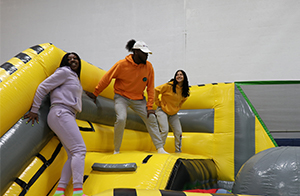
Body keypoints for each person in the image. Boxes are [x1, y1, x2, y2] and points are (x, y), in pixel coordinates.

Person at [86, 39, 168, 154]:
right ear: (136, 52)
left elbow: (150, 88)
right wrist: (95, 93)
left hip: (139, 99)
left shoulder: (149, 67)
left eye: (147, 53)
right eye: (144, 53)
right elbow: (107, 78)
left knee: (152, 118)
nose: (146, 56)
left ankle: (160, 148)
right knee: (121, 119)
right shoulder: (121, 65)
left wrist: (149, 107)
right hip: (122, 97)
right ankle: (117, 150)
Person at [24, 52, 86, 196]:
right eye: (69, 59)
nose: (72, 60)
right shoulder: (64, 72)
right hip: (61, 113)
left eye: (75, 58)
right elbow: (42, 87)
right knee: (80, 150)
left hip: (67, 114)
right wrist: (34, 110)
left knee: (72, 155)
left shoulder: (74, 77)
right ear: (65, 63)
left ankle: (59, 191)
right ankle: (77, 191)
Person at [154, 70, 190, 153]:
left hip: (173, 113)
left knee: (178, 132)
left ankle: (178, 150)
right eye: (177, 75)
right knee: (164, 130)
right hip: (162, 110)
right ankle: (160, 149)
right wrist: (157, 102)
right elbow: (156, 90)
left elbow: (183, 100)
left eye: (181, 75)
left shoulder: (183, 90)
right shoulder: (169, 86)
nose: (179, 76)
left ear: (184, 77)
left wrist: (177, 108)